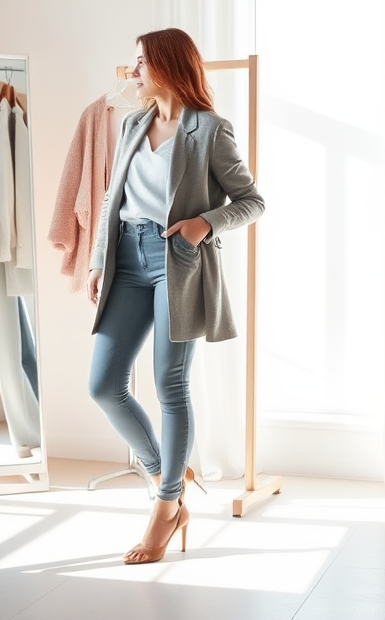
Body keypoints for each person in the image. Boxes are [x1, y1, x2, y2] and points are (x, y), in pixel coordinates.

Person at [87, 28, 264, 564]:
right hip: (126, 258)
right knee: (103, 385)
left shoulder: (209, 130)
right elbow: (109, 196)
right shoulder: (131, 125)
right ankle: (168, 472)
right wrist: (99, 258)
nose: (133, 71)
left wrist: (202, 225)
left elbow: (252, 201)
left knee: (169, 383)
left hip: (176, 264)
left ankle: (166, 508)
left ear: (166, 65)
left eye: (141, 62)